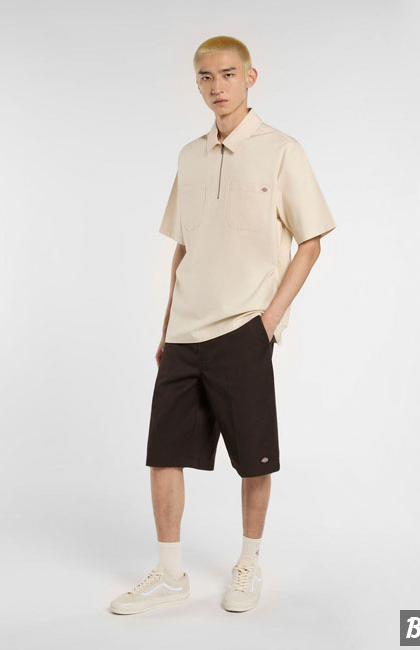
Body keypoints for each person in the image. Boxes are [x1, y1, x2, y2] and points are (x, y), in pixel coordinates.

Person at [109, 35, 336, 615]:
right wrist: (166, 327)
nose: (217, 87)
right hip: (184, 333)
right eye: (206, 78)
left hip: (242, 328)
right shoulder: (189, 156)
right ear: (197, 84)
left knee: (254, 457)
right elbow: (182, 248)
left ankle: (248, 563)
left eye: (228, 74)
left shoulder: (281, 150)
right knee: (164, 454)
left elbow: (311, 240)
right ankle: (169, 574)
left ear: (249, 77)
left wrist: (268, 321)